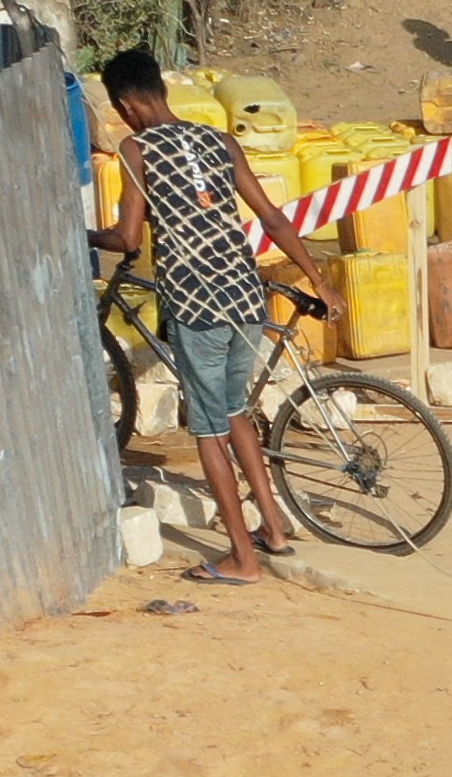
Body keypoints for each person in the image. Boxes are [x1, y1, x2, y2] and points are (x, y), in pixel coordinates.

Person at [102, 44, 320, 580]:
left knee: (206, 429)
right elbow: (271, 217)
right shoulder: (220, 141)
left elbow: (127, 237)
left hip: (197, 304)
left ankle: (243, 559)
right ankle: (272, 529)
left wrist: (80, 233)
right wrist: (320, 279)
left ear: (127, 105)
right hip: (245, 296)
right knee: (234, 411)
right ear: (162, 89)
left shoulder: (137, 150)